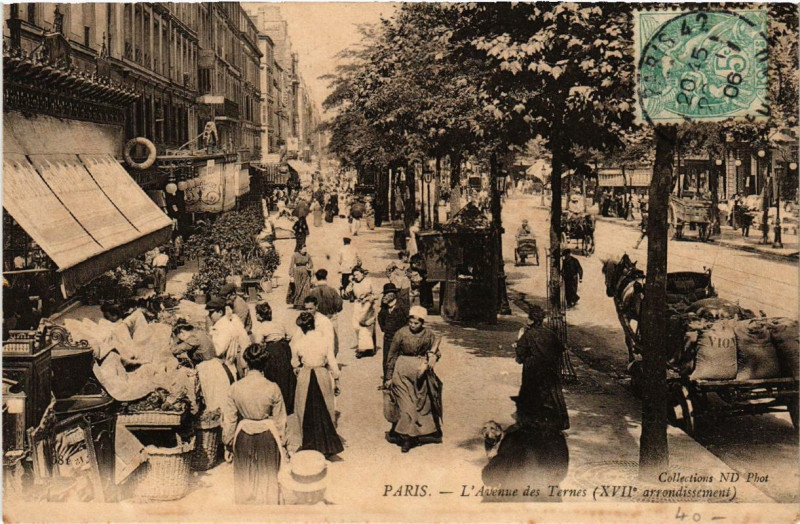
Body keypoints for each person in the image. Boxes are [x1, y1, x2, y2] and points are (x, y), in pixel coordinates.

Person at [222, 344, 287, 505]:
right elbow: (281, 421)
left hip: (243, 436)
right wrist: (284, 444)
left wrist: (228, 444)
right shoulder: (273, 388)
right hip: (268, 437)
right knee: (268, 481)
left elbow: (229, 420)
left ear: (246, 363)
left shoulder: (235, 388)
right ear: (264, 364)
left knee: (244, 481)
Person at [384, 306, 442, 453]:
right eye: (411, 322)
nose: (413, 325)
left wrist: (432, 358)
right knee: (406, 405)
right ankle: (407, 439)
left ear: (422, 323)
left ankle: (417, 433)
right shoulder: (401, 334)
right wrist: (389, 377)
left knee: (421, 404)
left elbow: (436, 352)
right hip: (401, 371)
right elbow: (391, 355)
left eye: (416, 323)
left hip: (420, 374)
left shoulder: (429, 335)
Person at [290, 312, 344, 456]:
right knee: (325, 408)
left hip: (306, 375)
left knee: (305, 409)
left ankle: (309, 444)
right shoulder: (324, 340)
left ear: (302, 328)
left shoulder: (299, 343)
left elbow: (294, 362)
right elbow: (332, 361)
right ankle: (326, 445)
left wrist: (298, 368)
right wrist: (337, 380)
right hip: (321, 374)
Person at [514, 306, 569, 432]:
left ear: (532, 320)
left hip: (533, 369)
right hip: (550, 369)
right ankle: (557, 422)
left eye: (529, 318)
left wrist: (518, 349)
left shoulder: (528, 334)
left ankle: (532, 422)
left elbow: (521, 353)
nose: (527, 320)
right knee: (552, 394)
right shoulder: (550, 333)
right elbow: (560, 349)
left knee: (531, 394)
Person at [251, 303, 296, 416]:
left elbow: (258, 344)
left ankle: (275, 405)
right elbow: (290, 335)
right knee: (285, 375)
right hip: (284, 349)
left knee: (273, 376)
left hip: (273, 351)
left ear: (260, 316)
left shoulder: (261, 328)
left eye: (256, 314)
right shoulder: (278, 323)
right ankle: (288, 405)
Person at [207, 298, 251, 379]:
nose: (209, 316)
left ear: (220, 312)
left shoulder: (223, 328)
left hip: (224, 368)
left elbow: (218, 351)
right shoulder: (223, 324)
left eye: (211, 312)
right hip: (226, 366)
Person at [307, 269, 343, 355]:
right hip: (331, 318)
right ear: (326, 278)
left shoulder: (312, 292)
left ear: (316, 278)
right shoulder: (332, 290)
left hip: (318, 319)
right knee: (333, 340)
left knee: (319, 341)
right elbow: (339, 306)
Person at [377, 283, 410, 379]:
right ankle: (387, 380)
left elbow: (407, 321)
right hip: (388, 337)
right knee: (387, 359)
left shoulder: (402, 307)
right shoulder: (384, 307)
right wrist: (385, 329)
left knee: (399, 359)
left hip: (400, 338)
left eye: (387, 294)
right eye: (384, 294)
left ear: (393, 295)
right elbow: (380, 318)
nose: (385, 296)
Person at [349, 266, 378, 358]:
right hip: (358, 305)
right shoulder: (354, 283)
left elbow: (376, 294)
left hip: (368, 305)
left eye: (357, 274)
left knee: (366, 326)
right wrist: (350, 283)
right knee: (356, 325)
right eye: (354, 275)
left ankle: (365, 349)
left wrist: (369, 298)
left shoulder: (368, 281)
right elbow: (347, 292)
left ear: (362, 273)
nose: (356, 276)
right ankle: (363, 346)